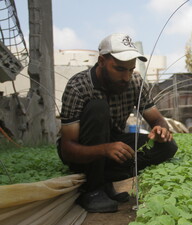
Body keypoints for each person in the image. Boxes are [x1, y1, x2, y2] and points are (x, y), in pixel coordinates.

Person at [57, 33, 178, 213]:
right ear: (101, 61)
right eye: (120, 69)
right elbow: (67, 148)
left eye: (130, 69)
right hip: (83, 148)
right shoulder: (79, 86)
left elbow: (156, 119)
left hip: (113, 140)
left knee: (168, 147)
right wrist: (104, 149)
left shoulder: (135, 81)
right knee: (98, 108)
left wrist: (161, 130)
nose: (126, 77)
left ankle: (104, 181)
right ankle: (92, 190)